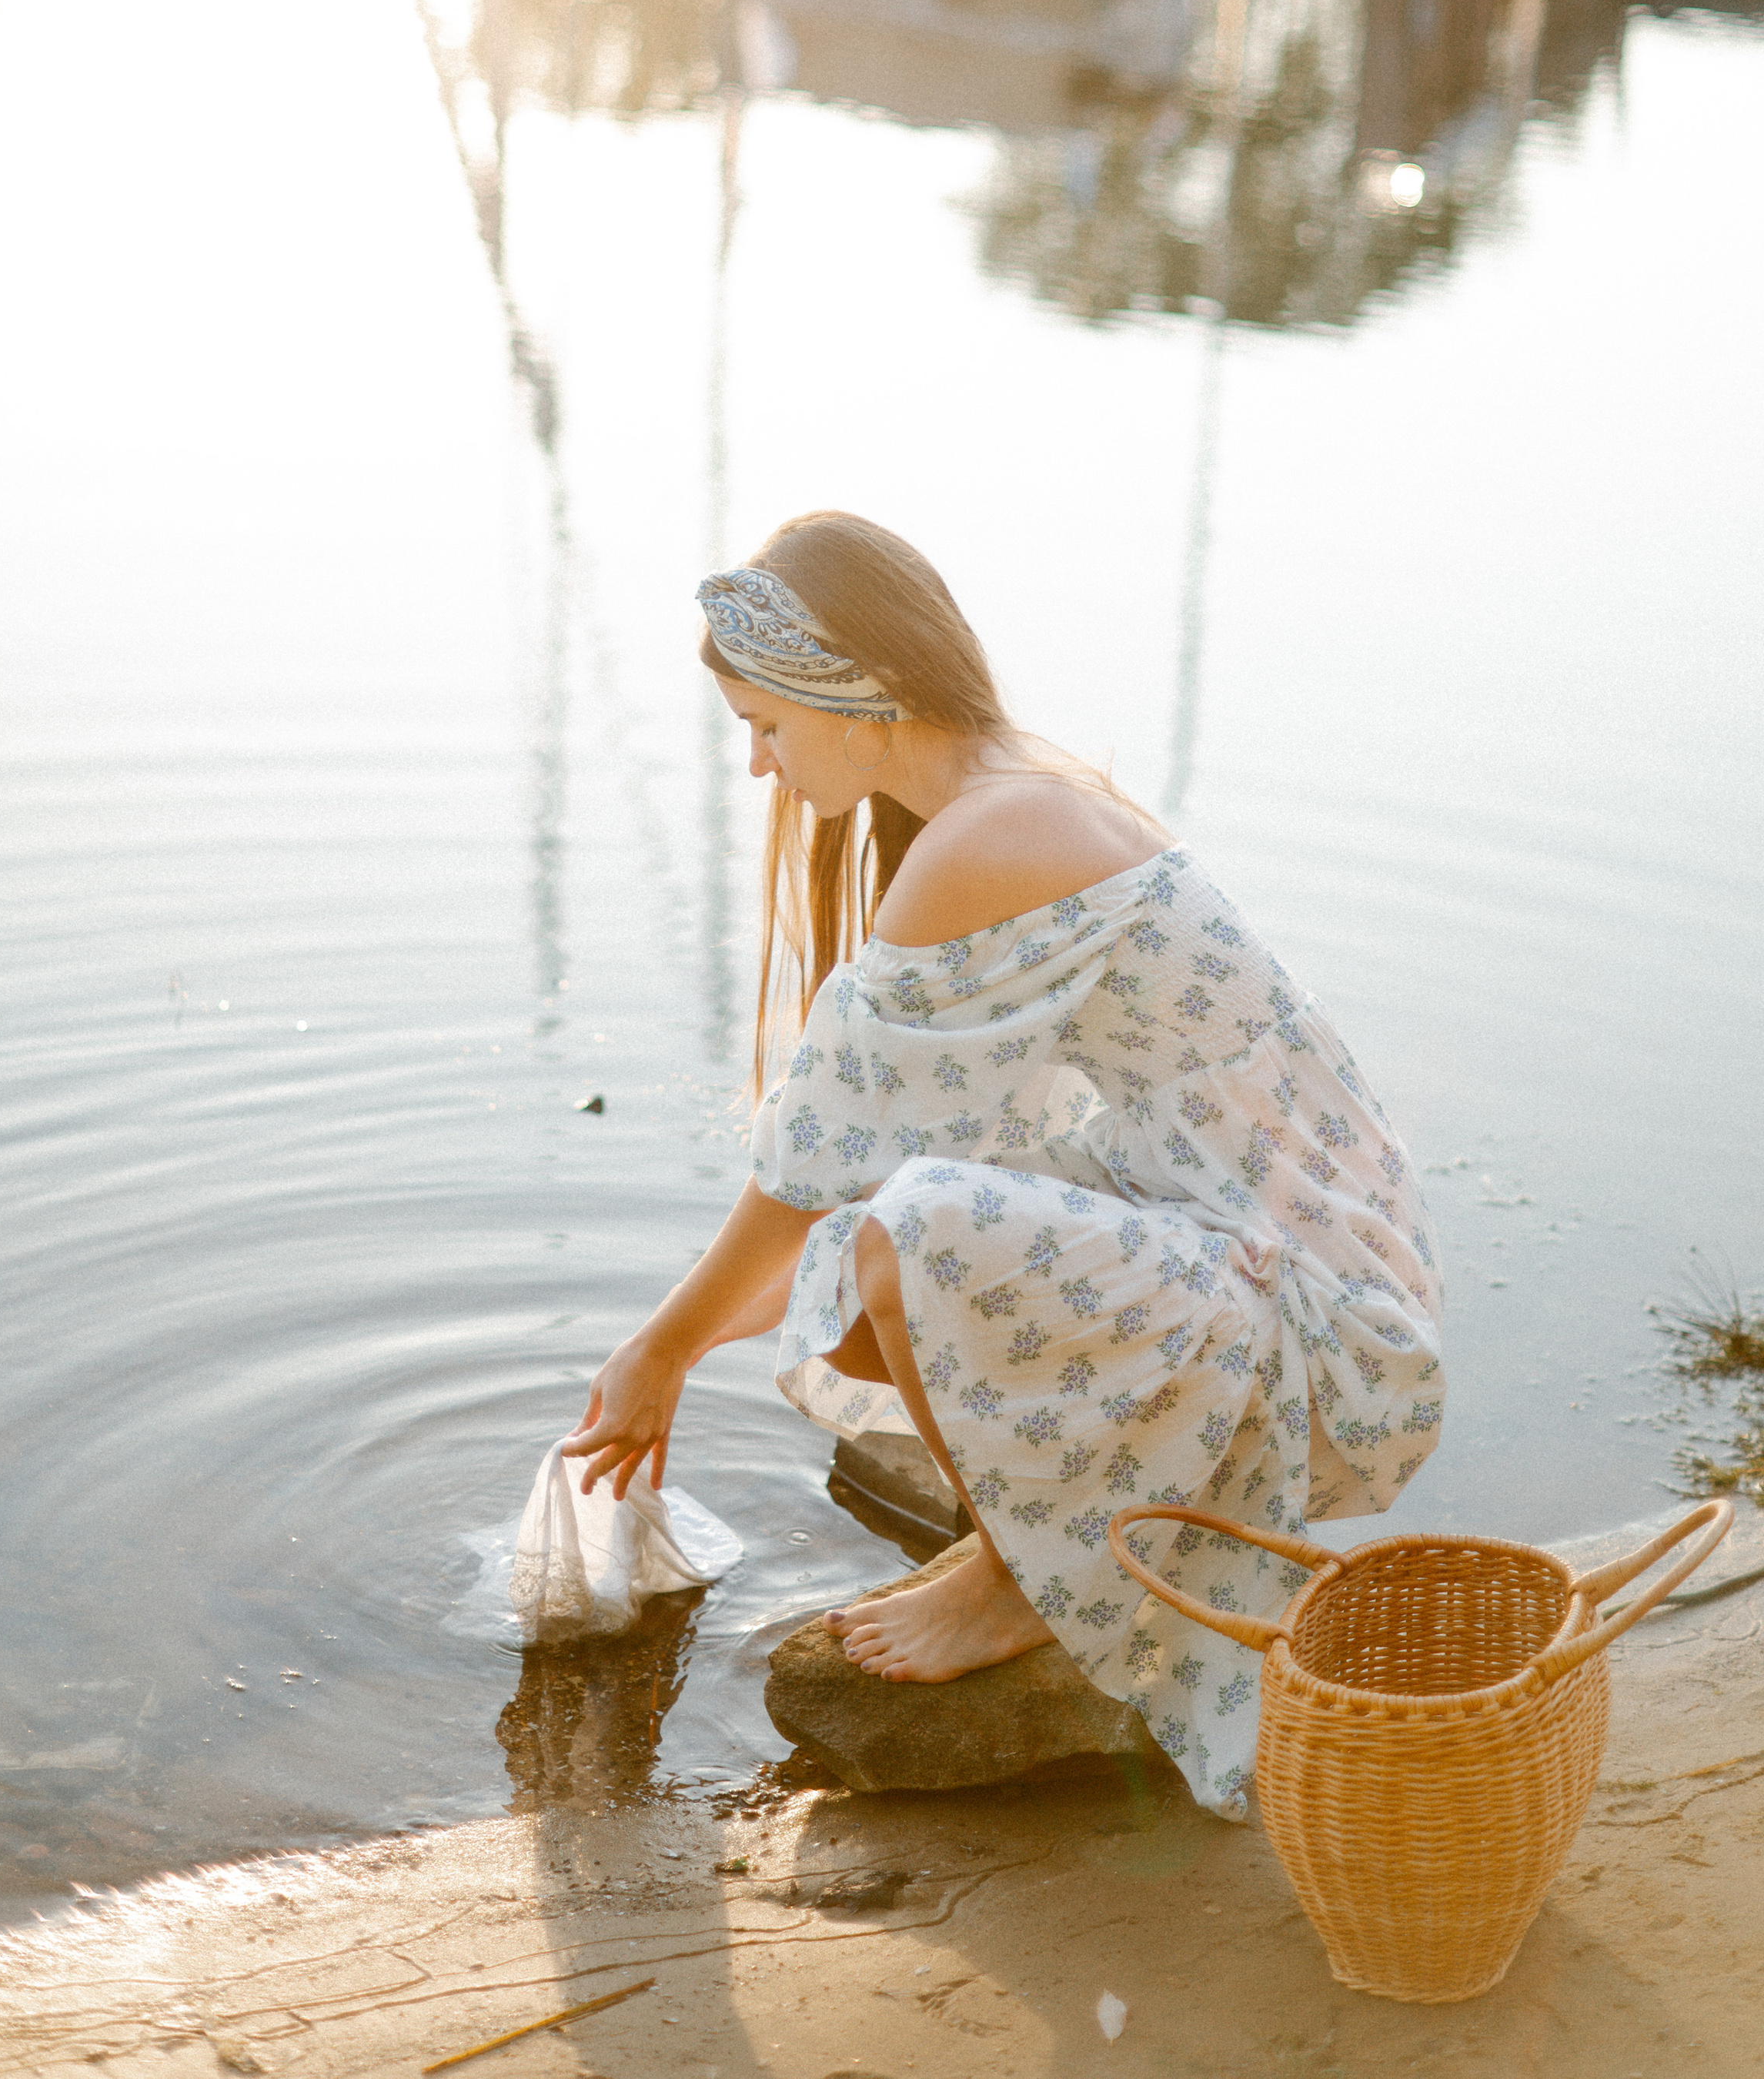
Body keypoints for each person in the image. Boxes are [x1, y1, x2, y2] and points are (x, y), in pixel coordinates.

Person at [563, 510, 1443, 1818]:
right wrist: (690, 1345)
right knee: (871, 1255)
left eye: (767, 726)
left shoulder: (987, 835)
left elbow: (811, 1168)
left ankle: (1026, 1577)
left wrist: (658, 1352)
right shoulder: (1005, 794)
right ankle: (1029, 1544)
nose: (756, 765)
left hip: (1331, 1338)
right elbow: (841, 1175)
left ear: (855, 698)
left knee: (900, 1230)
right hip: (1290, 1274)